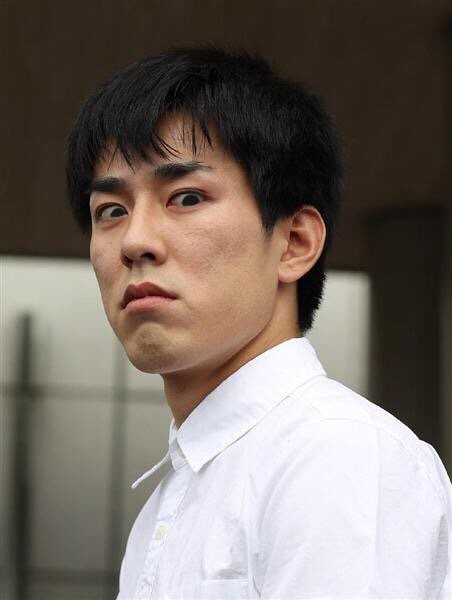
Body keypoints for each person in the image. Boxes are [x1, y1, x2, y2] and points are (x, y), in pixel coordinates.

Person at [65, 46, 452, 599]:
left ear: (294, 243)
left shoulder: (334, 454)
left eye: (186, 197)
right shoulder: (172, 501)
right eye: (111, 210)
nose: (135, 241)